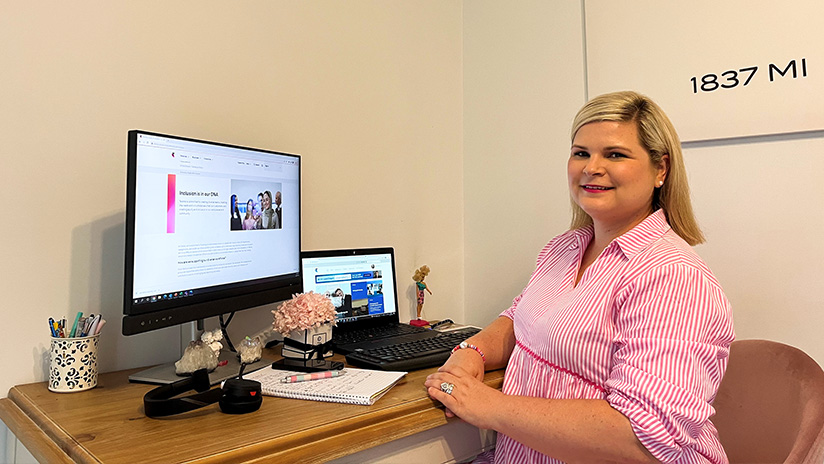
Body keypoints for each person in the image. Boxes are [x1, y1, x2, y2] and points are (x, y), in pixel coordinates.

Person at [425, 91, 735, 464]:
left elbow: (641, 438)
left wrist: (487, 405)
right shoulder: (564, 248)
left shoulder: (673, 277)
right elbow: (522, 318)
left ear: (661, 170)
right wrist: (471, 351)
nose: (592, 168)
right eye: (581, 153)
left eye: (615, 155)